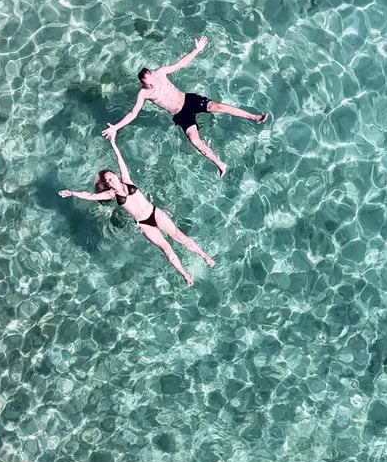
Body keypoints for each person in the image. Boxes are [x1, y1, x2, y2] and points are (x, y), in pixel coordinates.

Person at [102, 36, 267, 177]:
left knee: (218, 107)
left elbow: (181, 64)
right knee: (195, 140)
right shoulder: (143, 94)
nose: (151, 86)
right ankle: (220, 164)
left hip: (188, 100)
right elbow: (133, 113)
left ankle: (255, 117)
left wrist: (197, 50)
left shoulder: (161, 72)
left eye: (150, 83)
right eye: (147, 85)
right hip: (180, 115)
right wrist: (116, 127)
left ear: (151, 75)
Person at [59, 137, 214, 286]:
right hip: (144, 224)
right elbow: (90, 195)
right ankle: (185, 276)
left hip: (154, 213)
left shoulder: (126, 180)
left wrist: (113, 142)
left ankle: (205, 257)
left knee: (179, 236)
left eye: (111, 178)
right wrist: (72, 193)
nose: (110, 181)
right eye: (107, 182)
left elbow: (121, 161)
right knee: (166, 248)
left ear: (115, 175)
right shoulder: (110, 194)